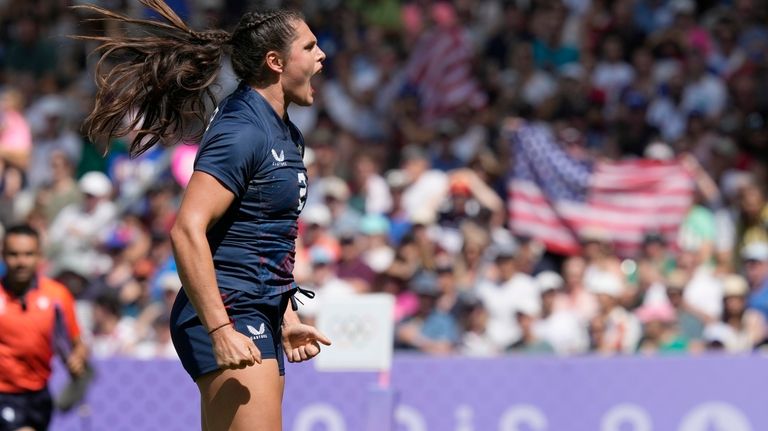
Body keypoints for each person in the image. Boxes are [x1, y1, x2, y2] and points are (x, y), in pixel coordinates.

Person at [76, 2, 331, 430]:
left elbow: (265, 234)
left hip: (257, 310)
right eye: (310, 46)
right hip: (228, 310)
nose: (322, 55)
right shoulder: (242, 129)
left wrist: (284, 315)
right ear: (275, 61)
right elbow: (187, 230)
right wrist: (220, 329)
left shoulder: (285, 132)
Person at [0, 224, 88, 431]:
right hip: (4, 393)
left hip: (39, 393)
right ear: (3, 255)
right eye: (14, 254)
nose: (21, 262)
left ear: (39, 256)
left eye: (28, 254)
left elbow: (77, 342)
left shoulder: (57, 296)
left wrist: (77, 359)